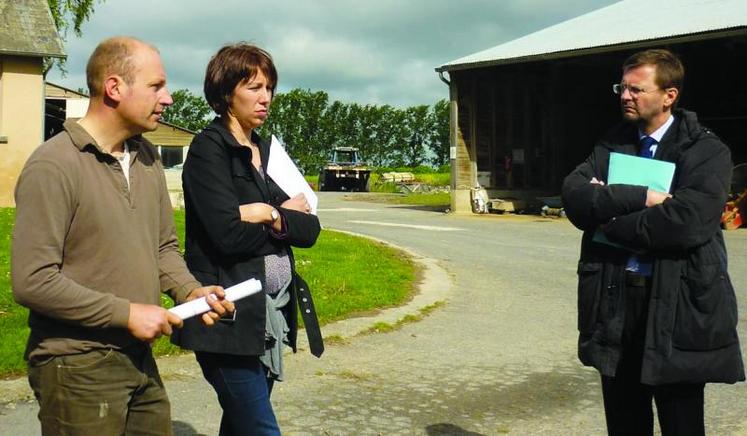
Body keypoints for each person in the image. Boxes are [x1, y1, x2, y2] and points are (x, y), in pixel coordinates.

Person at [11, 36, 233, 435]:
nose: (167, 99)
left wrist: (189, 291)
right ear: (114, 88)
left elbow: (162, 247)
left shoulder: (147, 159)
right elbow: (32, 280)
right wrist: (126, 313)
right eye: (156, 86)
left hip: (138, 359)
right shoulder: (54, 165)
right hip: (75, 365)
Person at [562, 48, 744, 435]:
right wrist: (642, 198)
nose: (624, 96)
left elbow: (685, 223)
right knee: (625, 421)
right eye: (622, 87)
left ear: (669, 95)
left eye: (636, 89)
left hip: (678, 305)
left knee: (681, 423)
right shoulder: (610, 144)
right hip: (615, 302)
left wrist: (607, 220)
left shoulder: (707, 151)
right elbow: (575, 199)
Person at [171, 43, 323, 436]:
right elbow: (227, 235)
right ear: (226, 92)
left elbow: (310, 229)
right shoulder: (210, 151)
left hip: (268, 320)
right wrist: (279, 213)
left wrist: (267, 212)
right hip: (227, 322)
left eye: (269, 87)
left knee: (241, 426)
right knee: (260, 429)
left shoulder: (268, 151)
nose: (266, 98)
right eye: (254, 87)